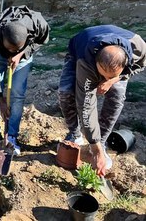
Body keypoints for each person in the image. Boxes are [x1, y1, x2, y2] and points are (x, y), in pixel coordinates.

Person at [58, 25, 146, 176]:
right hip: (80, 53)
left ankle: (102, 142)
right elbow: (86, 105)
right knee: (65, 93)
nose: (103, 80)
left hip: (118, 65)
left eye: (108, 76)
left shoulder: (139, 48)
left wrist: (114, 80)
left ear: (126, 62)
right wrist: (94, 145)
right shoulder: (86, 61)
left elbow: (139, 66)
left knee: (117, 96)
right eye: (102, 75)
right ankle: (75, 134)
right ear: (96, 64)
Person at [0, 5, 50, 155]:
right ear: (2, 38)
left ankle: (12, 136)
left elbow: (43, 40)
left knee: (17, 94)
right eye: (10, 48)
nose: (12, 51)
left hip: (23, 57)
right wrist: (0, 99)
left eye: (15, 48)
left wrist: (21, 54)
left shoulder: (37, 23)